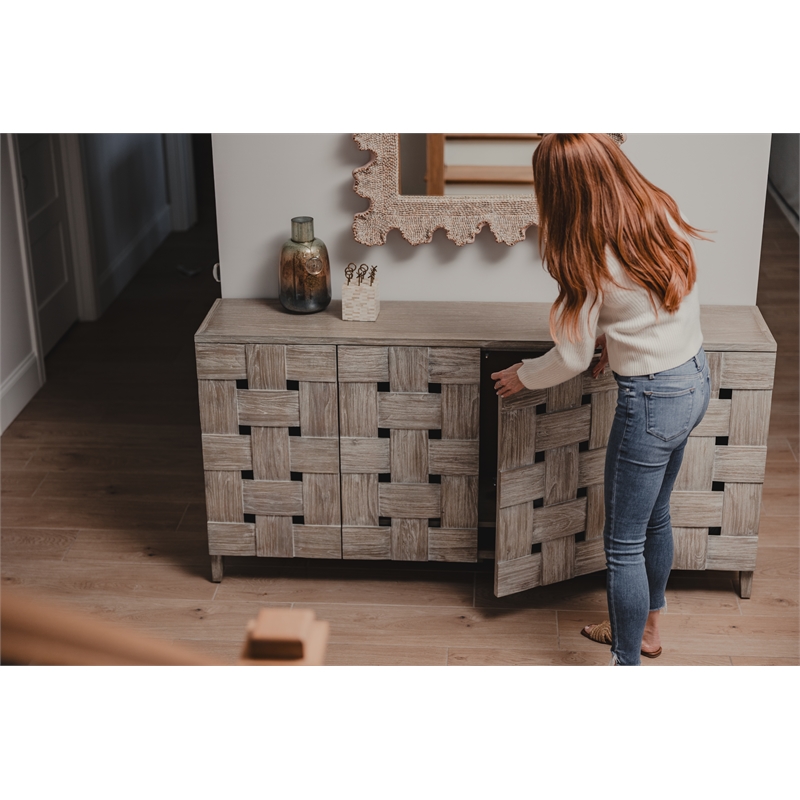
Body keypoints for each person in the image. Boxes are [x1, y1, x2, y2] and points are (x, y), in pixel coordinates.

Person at [491, 134, 710, 666]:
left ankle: (624, 664)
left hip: (653, 399)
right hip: (694, 376)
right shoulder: (653, 210)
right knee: (656, 517)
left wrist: (524, 374)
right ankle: (648, 630)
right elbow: (653, 299)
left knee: (623, 545)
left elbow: (568, 357)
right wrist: (618, 338)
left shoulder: (585, 253)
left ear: (559, 189)